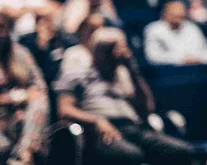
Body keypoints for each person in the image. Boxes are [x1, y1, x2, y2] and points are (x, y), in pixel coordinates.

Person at [55, 28, 194, 165]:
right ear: (97, 51)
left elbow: (147, 109)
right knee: (131, 156)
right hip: (99, 132)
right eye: (111, 49)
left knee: (183, 151)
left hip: (135, 127)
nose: (117, 54)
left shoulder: (124, 75)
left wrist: (132, 71)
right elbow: (65, 110)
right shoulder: (77, 74)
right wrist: (96, 120)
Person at [0, 13, 49, 165]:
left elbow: (39, 86)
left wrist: (27, 95)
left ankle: (24, 153)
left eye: (2, 28)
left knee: (39, 102)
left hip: (21, 117)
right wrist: (10, 98)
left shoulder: (20, 53)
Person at [143, 1, 207, 66]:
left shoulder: (192, 28)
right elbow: (152, 56)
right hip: (169, 72)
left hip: (196, 68)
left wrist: (199, 58)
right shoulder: (154, 29)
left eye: (181, 17)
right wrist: (181, 60)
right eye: (174, 16)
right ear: (165, 14)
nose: (178, 20)